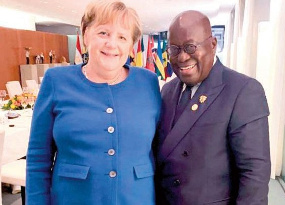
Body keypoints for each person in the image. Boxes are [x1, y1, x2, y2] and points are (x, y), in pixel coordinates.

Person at [26, 1, 161, 204]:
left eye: (122, 37)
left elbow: (160, 148)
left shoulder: (148, 82)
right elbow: (38, 158)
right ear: (86, 34)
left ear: (132, 45)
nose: (112, 44)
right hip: (73, 198)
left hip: (136, 198)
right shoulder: (56, 81)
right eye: (103, 33)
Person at [154, 10, 271, 205]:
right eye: (174, 49)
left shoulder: (243, 90)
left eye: (190, 47)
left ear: (213, 45)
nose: (182, 57)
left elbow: (254, 174)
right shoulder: (167, 90)